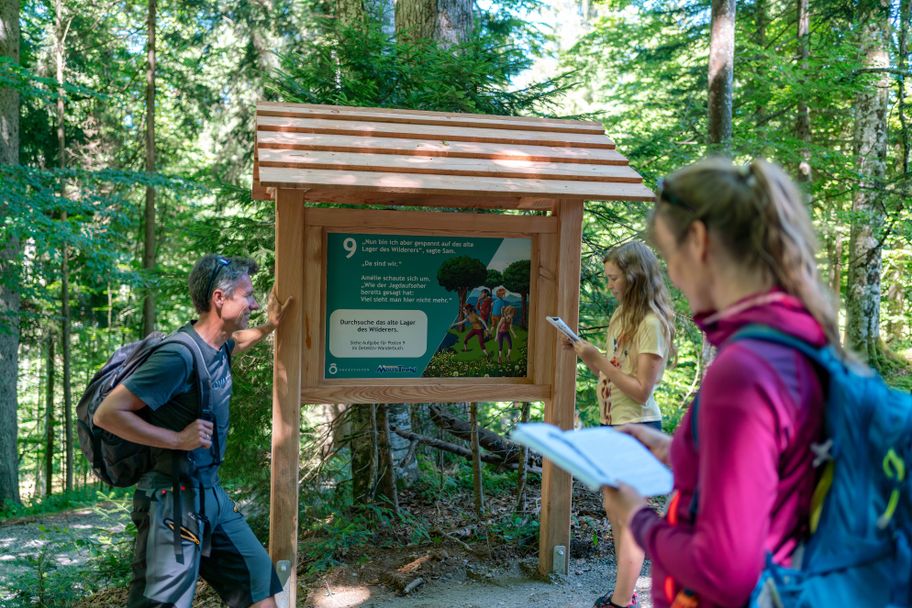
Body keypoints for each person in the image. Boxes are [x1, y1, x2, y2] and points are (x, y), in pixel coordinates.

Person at [602, 158, 839, 608]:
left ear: (699, 240)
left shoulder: (743, 371)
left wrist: (639, 519)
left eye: (671, 256)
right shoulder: (802, 335)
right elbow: (780, 470)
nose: (670, 274)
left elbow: (724, 570)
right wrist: (683, 453)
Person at [94, 254, 291, 608]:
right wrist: (177, 439)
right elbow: (108, 413)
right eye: (247, 295)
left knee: (258, 582)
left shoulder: (218, 346)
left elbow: (240, 340)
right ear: (220, 298)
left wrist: (270, 326)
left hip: (211, 496)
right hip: (172, 503)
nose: (255, 303)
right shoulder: (178, 356)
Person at [568, 241, 676, 608]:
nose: (608, 285)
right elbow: (614, 372)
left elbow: (642, 391)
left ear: (633, 277)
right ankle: (624, 596)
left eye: (613, 278)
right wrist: (587, 355)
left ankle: (619, 602)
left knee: (628, 519)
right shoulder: (620, 316)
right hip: (611, 425)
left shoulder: (650, 324)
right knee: (616, 517)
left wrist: (598, 361)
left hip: (638, 428)